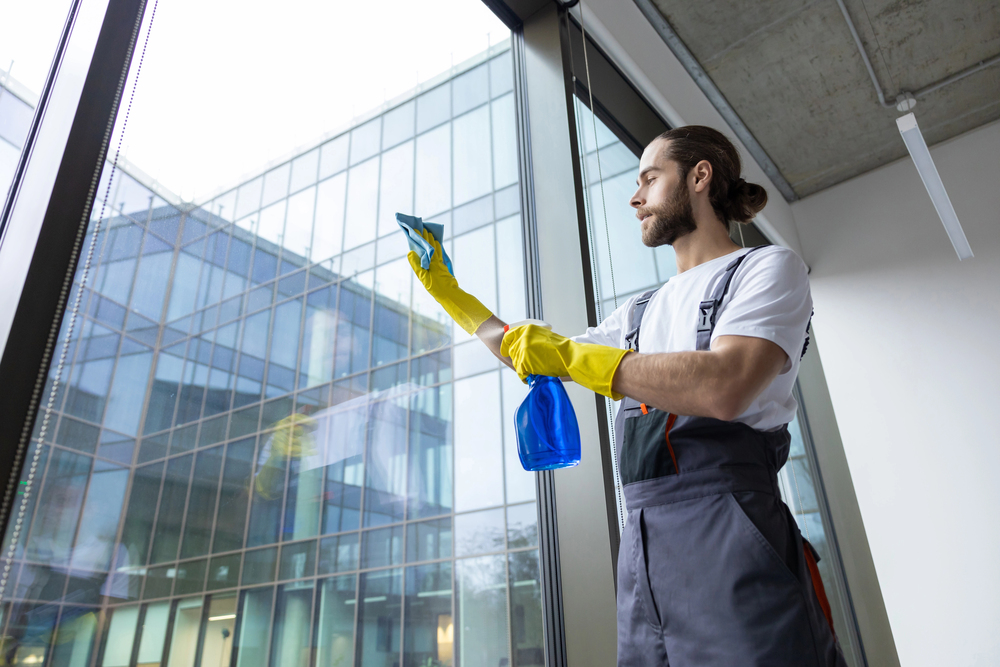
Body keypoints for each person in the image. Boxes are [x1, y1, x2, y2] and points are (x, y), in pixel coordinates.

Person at [405, 125, 846, 666]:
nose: (635, 198)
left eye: (650, 179)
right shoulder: (638, 311)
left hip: (732, 534)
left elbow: (725, 385)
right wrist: (451, 295)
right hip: (642, 549)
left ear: (700, 176)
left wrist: (571, 356)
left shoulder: (764, 269)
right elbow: (530, 351)